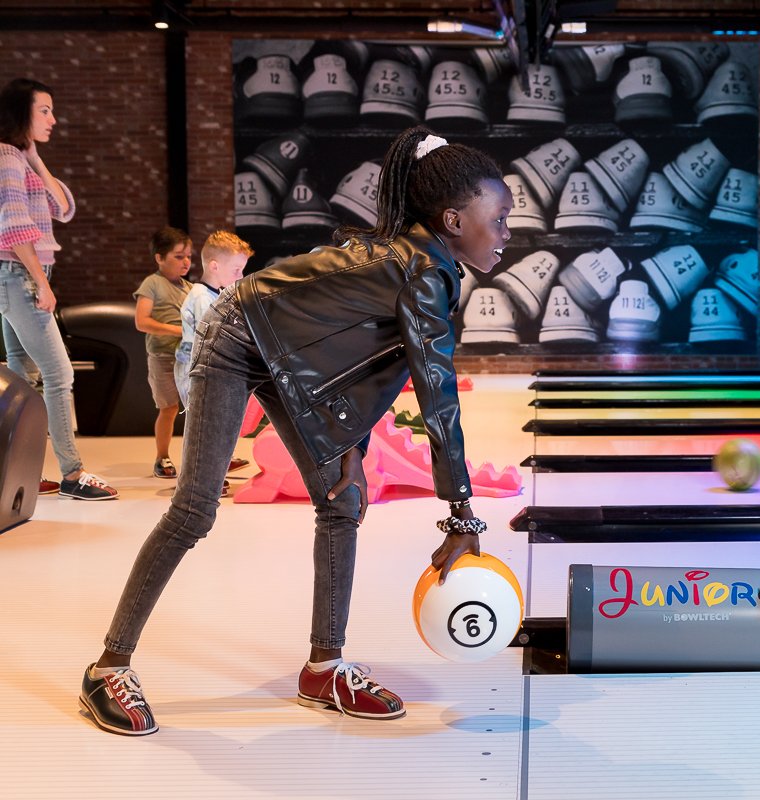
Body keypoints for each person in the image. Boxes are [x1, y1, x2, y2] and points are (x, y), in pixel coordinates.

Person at [80, 126, 512, 736]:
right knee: (195, 508)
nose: (508, 233)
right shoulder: (421, 271)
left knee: (343, 500)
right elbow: (436, 395)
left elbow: (368, 368)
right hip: (237, 336)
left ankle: (323, 669)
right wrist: (462, 514)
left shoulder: (428, 266)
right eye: (499, 219)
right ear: (453, 220)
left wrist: (350, 448)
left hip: (285, 356)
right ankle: (106, 670)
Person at [0, 78, 118, 501]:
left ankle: (18, 472)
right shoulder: (6, 157)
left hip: (17, 274)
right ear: (22, 112)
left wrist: (35, 157)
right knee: (59, 373)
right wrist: (41, 281)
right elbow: (14, 226)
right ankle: (72, 474)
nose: (53, 119)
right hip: (20, 274)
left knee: (21, 376)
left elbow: (64, 208)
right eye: (45, 110)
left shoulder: (19, 157)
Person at [174, 230, 254, 495]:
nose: (240, 276)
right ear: (214, 266)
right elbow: (208, 336)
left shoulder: (213, 295)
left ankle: (210, 472)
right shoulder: (201, 297)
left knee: (210, 424)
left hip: (205, 366)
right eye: (236, 270)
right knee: (200, 427)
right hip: (195, 369)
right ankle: (197, 481)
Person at [134, 227, 193, 479]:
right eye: (178, 256)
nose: (186, 262)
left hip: (189, 357)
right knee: (169, 408)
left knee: (197, 409)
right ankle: (162, 457)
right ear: (159, 257)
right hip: (163, 357)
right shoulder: (152, 283)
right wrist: (178, 330)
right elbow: (142, 322)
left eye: (188, 256)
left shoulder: (191, 288)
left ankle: (203, 457)